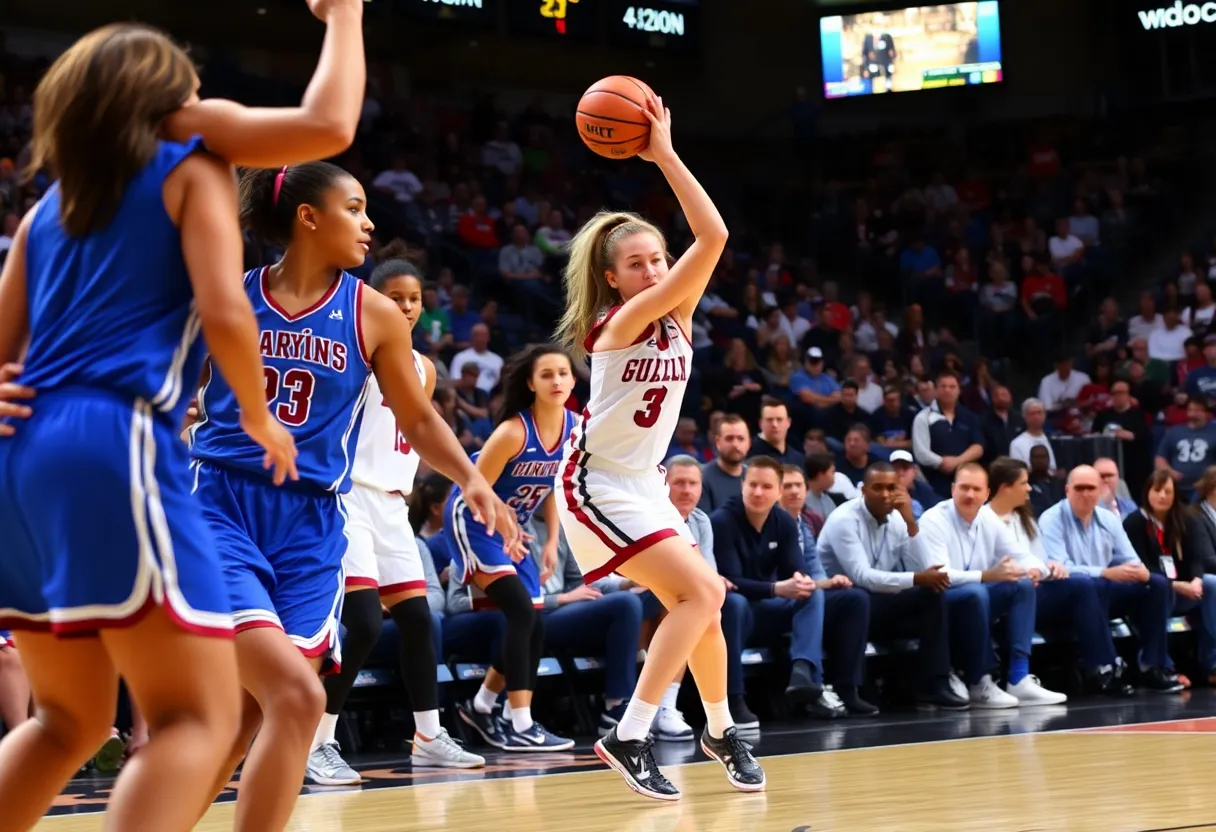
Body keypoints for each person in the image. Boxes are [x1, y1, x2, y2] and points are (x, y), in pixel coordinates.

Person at [0, 3, 370, 826]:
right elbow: (228, 307)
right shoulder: (190, 162)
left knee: (68, 720)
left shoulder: (42, 215)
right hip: (114, 437)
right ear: (168, 102)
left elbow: (5, 352)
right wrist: (343, 15)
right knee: (194, 719)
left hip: (20, 460)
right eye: (196, 87)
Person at [188, 162, 516, 831]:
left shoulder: (373, 315)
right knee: (295, 695)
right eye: (355, 208)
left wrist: (474, 478)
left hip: (312, 524)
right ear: (309, 218)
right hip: (223, 505)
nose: (370, 223)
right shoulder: (230, 294)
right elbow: (163, 377)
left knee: (260, 715)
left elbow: (418, 418)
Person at [553, 93, 764, 801]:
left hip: (640, 483)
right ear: (613, 279)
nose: (653, 271)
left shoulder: (676, 315)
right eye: (638, 263)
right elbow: (711, 241)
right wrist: (662, 151)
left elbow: (713, 240)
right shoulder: (621, 320)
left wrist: (662, 155)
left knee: (702, 602)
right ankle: (630, 732)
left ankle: (721, 725)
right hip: (595, 481)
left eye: (658, 259)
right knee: (703, 591)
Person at [306, 259, 484, 788]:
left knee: (417, 618)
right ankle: (319, 742)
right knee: (361, 622)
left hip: (391, 502)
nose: (405, 306)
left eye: (413, 298)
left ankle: (429, 736)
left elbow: (418, 430)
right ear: (370, 299)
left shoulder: (426, 368)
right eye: (394, 296)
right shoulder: (355, 353)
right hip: (346, 495)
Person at [450, 345, 578, 753]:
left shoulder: (575, 428)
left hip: (517, 528)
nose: (556, 380)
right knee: (521, 612)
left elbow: (553, 487)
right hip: (475, 520)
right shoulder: (512, 432)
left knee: (535, 620)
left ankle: (482, 704)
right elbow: (476, 488)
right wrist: (505, 523)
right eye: (546, 374)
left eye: (563, 373)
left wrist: (552, 541)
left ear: (573, 380)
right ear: (530, 383)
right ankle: (520, 721)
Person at [712, 457, 876, 720]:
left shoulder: (785, 521)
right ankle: (733, 699)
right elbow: (732, 580)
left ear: (777, 492)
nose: (758, 492)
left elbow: (796, 574)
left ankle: (815, 676)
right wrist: (777, 589)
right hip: (741, 611)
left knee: (847, 598)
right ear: (742, 485)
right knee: (734, 604)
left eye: (766, 487)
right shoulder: (722, 521)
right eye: (752, 485)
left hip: (771, 607)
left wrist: (803, 584)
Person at [913, 463, 1068, 707]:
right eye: (964, 488)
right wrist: (987, 576)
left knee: (1023, 585)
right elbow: (941, 576)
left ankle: (1019, 678)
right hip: (940, 602)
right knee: (976, 592)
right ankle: (980, 681)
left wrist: (1035, 569)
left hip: (978, 597)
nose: (970, 495)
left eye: (976, 489)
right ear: (953, 489)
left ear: (987, 493)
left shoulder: (987, 517)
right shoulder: (934, 519)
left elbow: (1022, 555)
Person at [817, 463, 968, 710]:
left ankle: (935, 684)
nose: (886, 495)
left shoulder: (898, 518)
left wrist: (911, 523)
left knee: (932, 593)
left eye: (891, 488)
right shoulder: (844, 519)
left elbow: (928, 568)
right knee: (859, 597)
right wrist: (917, 578)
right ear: (864, 490)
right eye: (878, 488)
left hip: (878, 602)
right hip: (839, 605)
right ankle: (848, 689)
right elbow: (862, 577)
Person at [986, 457, 1134, 697]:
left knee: (1086, 585)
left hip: (1034, 590)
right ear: (1006, 487)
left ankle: (1102, 666)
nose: (1030, 488)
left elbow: (1041, 561)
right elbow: (1002, 563)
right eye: (1024, 483)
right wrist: (1034, 570)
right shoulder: (986, 519)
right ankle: (1102, 665)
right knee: (1083, 584)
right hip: (1003, 593)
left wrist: (1049, 569)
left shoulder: (1026, 520)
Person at [1038, 466, 1184, 694]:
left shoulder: (1108, 518)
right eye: (1079, 488)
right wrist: (1105, 572)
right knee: (1090, 584)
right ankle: (1104, 667)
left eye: (1091, 488)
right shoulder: (1051, 519)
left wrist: (1142, 573)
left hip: (1101, 589)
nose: (1085, 494)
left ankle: (1152, 666)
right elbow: (1061, 569)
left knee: (1157, 584)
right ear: (1067, 490)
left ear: (1099, 491)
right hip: (1063, 595)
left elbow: (1131, 560)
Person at [1124, 470, 1216, 688]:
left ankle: (1212, 664)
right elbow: (1142, 565)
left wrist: (1196, 580)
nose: (1162, 496)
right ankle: (1161, 665)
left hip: (1185, 589)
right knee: (1160, 589)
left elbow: (1196, 557)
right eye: (1157, 490)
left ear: (1175, 495)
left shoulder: (1187, 519)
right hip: (1151, 591)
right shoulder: (1135, 522)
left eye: (1167, 491)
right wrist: (1175, 585)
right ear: (1147, 492)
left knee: (1212, 584)